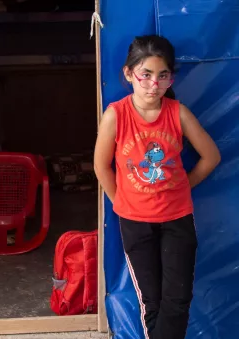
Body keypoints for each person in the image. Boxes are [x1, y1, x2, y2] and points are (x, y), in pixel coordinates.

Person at [94, 35, 221, 339]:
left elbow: (211, 156)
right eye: (146, 75)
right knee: (152, 301)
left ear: (170, 77)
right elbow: (101, 166)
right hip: (135, 224)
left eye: (163, 76)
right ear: (129, 74)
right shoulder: (116, 115)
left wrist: (181, 187)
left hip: (177, 220)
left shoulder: (178, 113)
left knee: (177, 300)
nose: (154, 85)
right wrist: (123, 202)